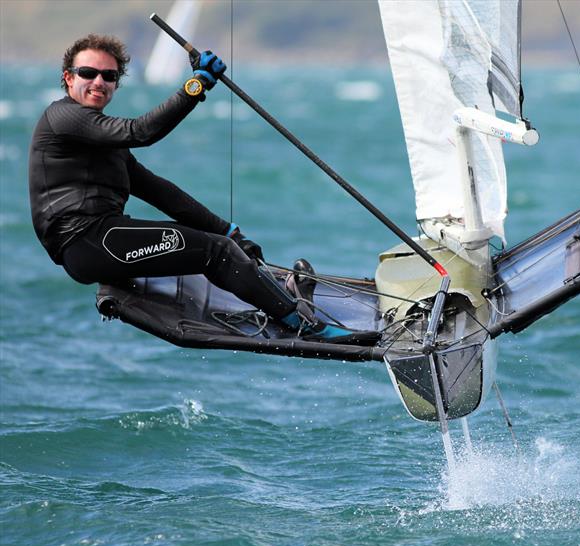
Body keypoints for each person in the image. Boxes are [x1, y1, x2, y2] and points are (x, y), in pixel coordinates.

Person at [29, 34, 370, 344]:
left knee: (221, 244)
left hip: (103, 240)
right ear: (68, 78)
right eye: (88, 73)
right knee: (215, 252)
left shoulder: (103, 140)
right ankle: (302, 324)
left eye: (109, 76)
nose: (99, 82)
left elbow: (159, 191)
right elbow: (140, 131)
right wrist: (197, 85)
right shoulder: (63, 117)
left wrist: (227, 229)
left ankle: (282, 296)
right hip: (88, 243)